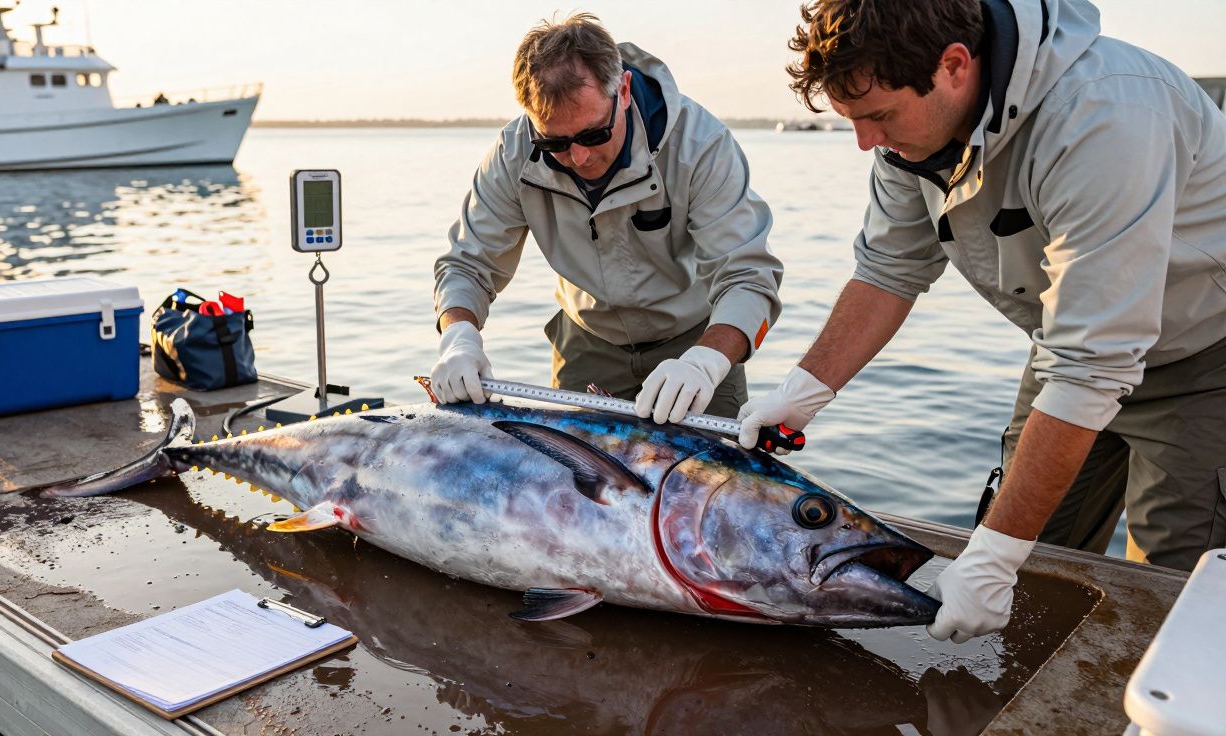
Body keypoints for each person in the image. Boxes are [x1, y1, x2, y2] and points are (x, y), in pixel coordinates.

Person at [739, 0, 1226, 643]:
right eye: (854, 120)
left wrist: (995, 554)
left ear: (955, 65)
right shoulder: (909, 135)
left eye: (879, 116)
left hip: (1203, 353)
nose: (865, 141)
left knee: (1173, 593)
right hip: (1070, 345)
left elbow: (1093, 366)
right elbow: (889, 270)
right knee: (1032, 556)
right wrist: (804, 391)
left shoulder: (1106, 117)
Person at [431, 14, 783, 422]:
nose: (580, 157)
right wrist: (458, 336)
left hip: (693, 342)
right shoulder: (512, 155)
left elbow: (748, 277)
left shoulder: (701, 145)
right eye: (555, 143)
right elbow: (467, 265)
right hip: (586, 342)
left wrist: (705, 362)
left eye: (594, 135)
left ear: (625, 91)